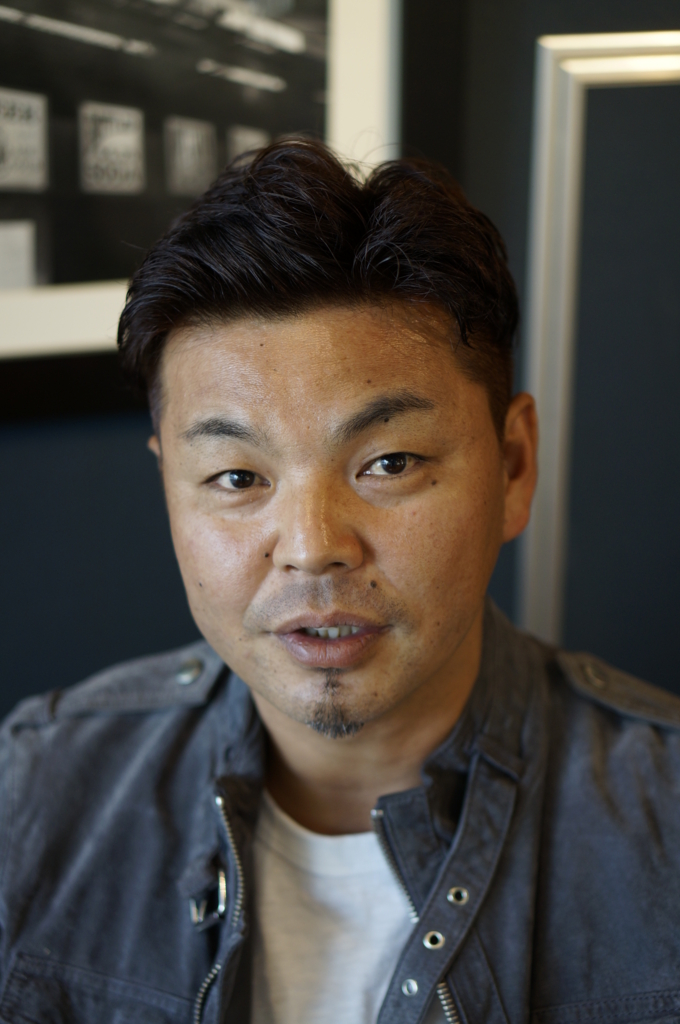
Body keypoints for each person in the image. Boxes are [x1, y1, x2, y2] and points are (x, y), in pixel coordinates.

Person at [1, 139, 679, 1024]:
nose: (313, 549)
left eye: (388, 463)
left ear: (514, 466)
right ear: (169, 484)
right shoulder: (35, 794)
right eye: (237, 477)